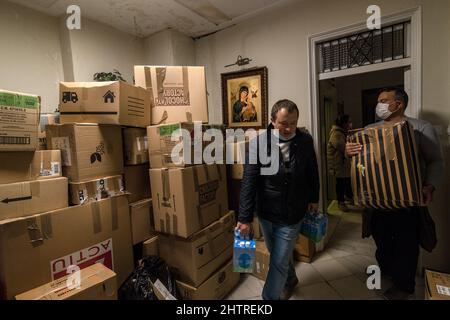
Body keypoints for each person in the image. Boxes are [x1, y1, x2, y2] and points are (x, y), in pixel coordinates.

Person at [345, 87, 444, 300]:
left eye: (383, 100)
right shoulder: (369, 130)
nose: (378, 105)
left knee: (406, 246)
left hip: (408, 202)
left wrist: (430, 185)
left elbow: (435, 161)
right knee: (382, 242)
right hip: (377, 201)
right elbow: (360, 161)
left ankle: (404, 287)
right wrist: (349, 151)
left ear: (399, 104)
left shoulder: (420, 127)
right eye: (378, 101)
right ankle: (389, 272)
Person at [236, 99, 320, 300]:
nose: (289, 128)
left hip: (293, 212)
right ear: (273, 120)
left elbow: (312, 172)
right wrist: (244, 218)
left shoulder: (305, 140)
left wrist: (314, 197)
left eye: (293, 122)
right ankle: (290, 280)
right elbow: (249, 182)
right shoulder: (258, 144)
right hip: (266, 212)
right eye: (283, 123)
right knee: (278, 255)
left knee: (278, 261)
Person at [327, 114, 354, 212]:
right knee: (341, 184)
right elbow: (343, 147)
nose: (351, 124)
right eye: (349, 122)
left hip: (343, 164)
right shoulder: (336, 133)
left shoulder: (342, 132)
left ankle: (349, 198)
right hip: (338, 164)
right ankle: (341, 202)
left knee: (347, 181)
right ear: (344, 123)